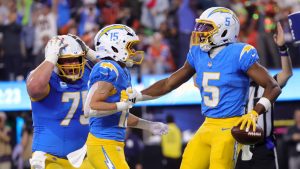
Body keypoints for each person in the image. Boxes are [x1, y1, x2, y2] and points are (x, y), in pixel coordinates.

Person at [127, 7, 282, 169]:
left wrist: (254, 113)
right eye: (200, 27)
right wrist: (138, 96)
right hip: (207, 124)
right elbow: (169, 83)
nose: (200, 32)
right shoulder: (197, 53)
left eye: (207, 27)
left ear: (224, 31)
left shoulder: (239, 53)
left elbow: (273, 86)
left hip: (230, 125)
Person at [83, 24, 169, 169]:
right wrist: (123, 105)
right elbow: (93, 106)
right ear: (115, 47)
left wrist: (148, 125)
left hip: (112, 145)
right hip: (103, 143)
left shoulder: (121, 70)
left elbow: (120, 116)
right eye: (130, 46)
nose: (134, 51)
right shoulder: (108, 69)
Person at [26, 35, 98, 169]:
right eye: (67, 60)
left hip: (84, 157)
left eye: (76, 60)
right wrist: (50, 58)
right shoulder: (46, 79)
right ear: (55, 61)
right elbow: (35, 88)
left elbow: (116, 73)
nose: (74, 65)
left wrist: (90, 53)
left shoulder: (88, 72)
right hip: (50, 158)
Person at [235, 22, 293, 169]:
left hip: (264, 147)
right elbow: (199, 83)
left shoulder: (269, 85)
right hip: (240, 146)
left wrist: (282, 48)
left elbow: (286, 74)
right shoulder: (235, 87)